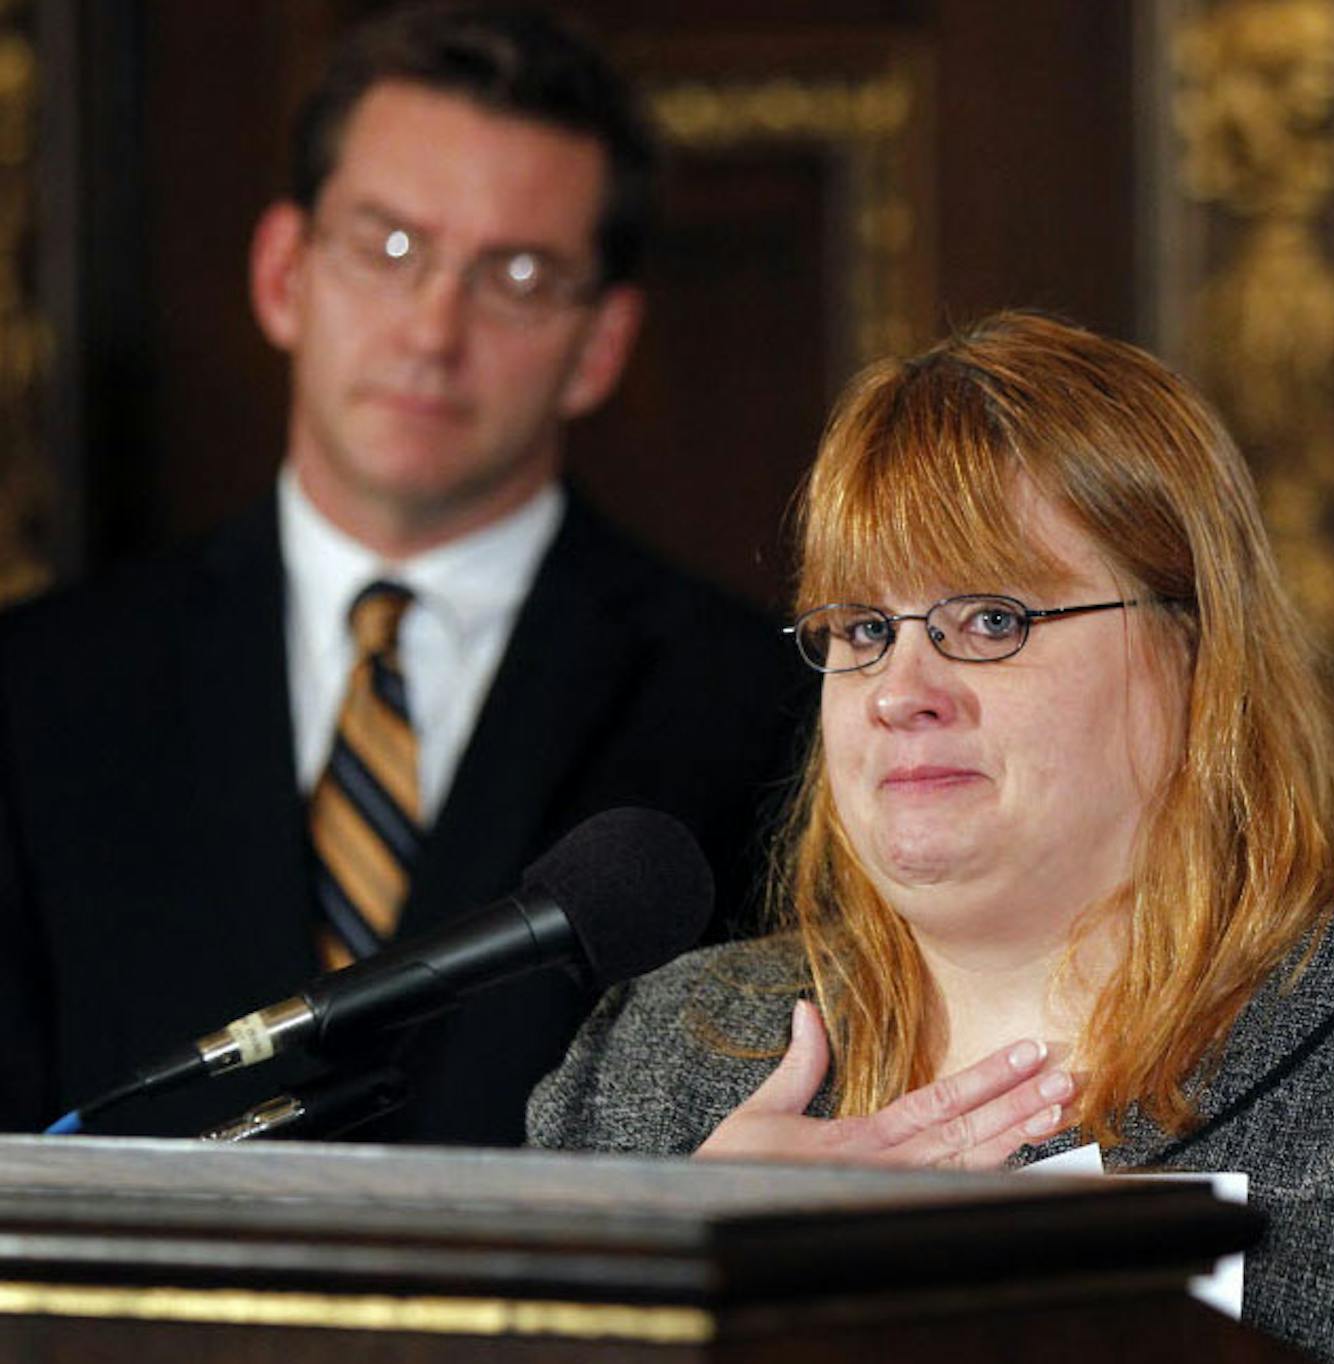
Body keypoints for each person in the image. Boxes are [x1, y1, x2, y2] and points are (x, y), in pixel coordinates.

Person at [528, 311, 1334, 1364]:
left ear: (1198, 656)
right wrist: (671, 1276)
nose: (901, 688)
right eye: (862, 627)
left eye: (991, 618)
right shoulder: (651, 1071)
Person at [0, 5, 798, 1145]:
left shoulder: (757, 708)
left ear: (600, 344)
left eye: (516, 275)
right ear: (284, 274)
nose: (434, 327)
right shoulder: (40, 691)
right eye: (388, 248)